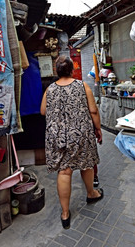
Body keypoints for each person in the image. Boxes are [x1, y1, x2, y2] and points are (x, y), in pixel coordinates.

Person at [41, 56, 103, 229]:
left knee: (64, 172)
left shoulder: (50, 89)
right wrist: (98, 129)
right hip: (80, 133)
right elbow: (93, 111)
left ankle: (65, 213)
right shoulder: (82, 86)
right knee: (86, 164)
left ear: (57, 71)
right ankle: (91, 193)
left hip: (57, 135)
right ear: (71, 70)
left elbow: (43, 111)